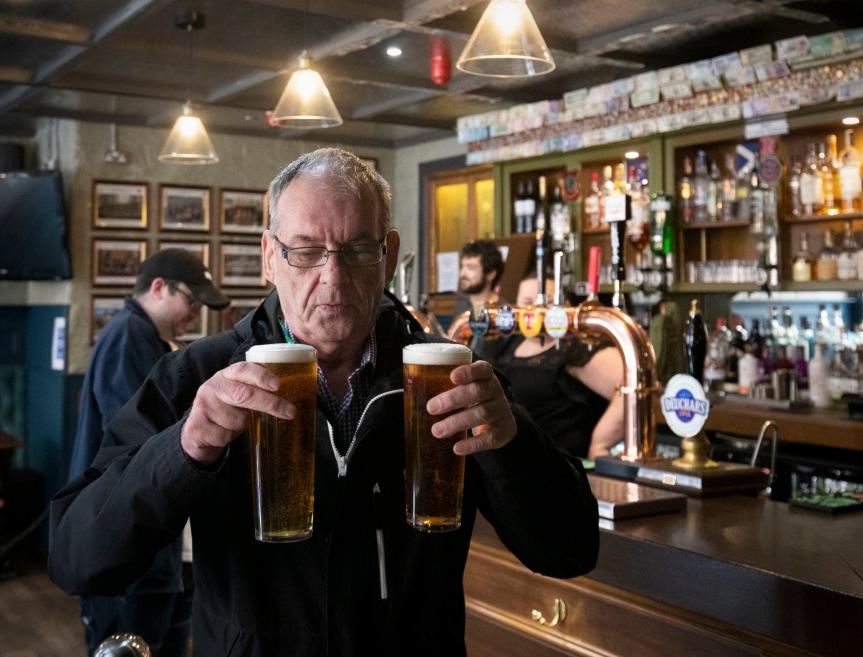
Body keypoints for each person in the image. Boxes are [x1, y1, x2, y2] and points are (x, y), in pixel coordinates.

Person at [49, 148, 598, 656]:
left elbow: (570, 550)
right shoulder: (197, 377)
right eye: (305, 251)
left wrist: (513, 445)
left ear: (389, 257)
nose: (331, 277)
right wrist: (184, 449)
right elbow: (77, 558)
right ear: (269, 256)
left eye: (357, 249)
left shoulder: (453, 379)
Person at [68, 248, 229, 657]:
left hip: (156, 549)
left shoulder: (151, 339)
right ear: (159, 287)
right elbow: (143, 441)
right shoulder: (128, 336)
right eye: (192, 302)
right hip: (128, 547)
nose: (195, 314)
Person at [473, 271, 625, 459]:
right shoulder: (507, 343)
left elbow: (631, 388)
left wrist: (600, 444)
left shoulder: (574, 347)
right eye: (528, 303)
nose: (537, 312)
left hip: (557, 467)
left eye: (550, 304)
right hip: (510, 464)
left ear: (567, 307)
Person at [450, 239, 503, 322]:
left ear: (491, 274)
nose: (462, 274)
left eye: (470, 268)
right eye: (462, 267)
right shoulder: (461, 306)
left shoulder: (503, 311)